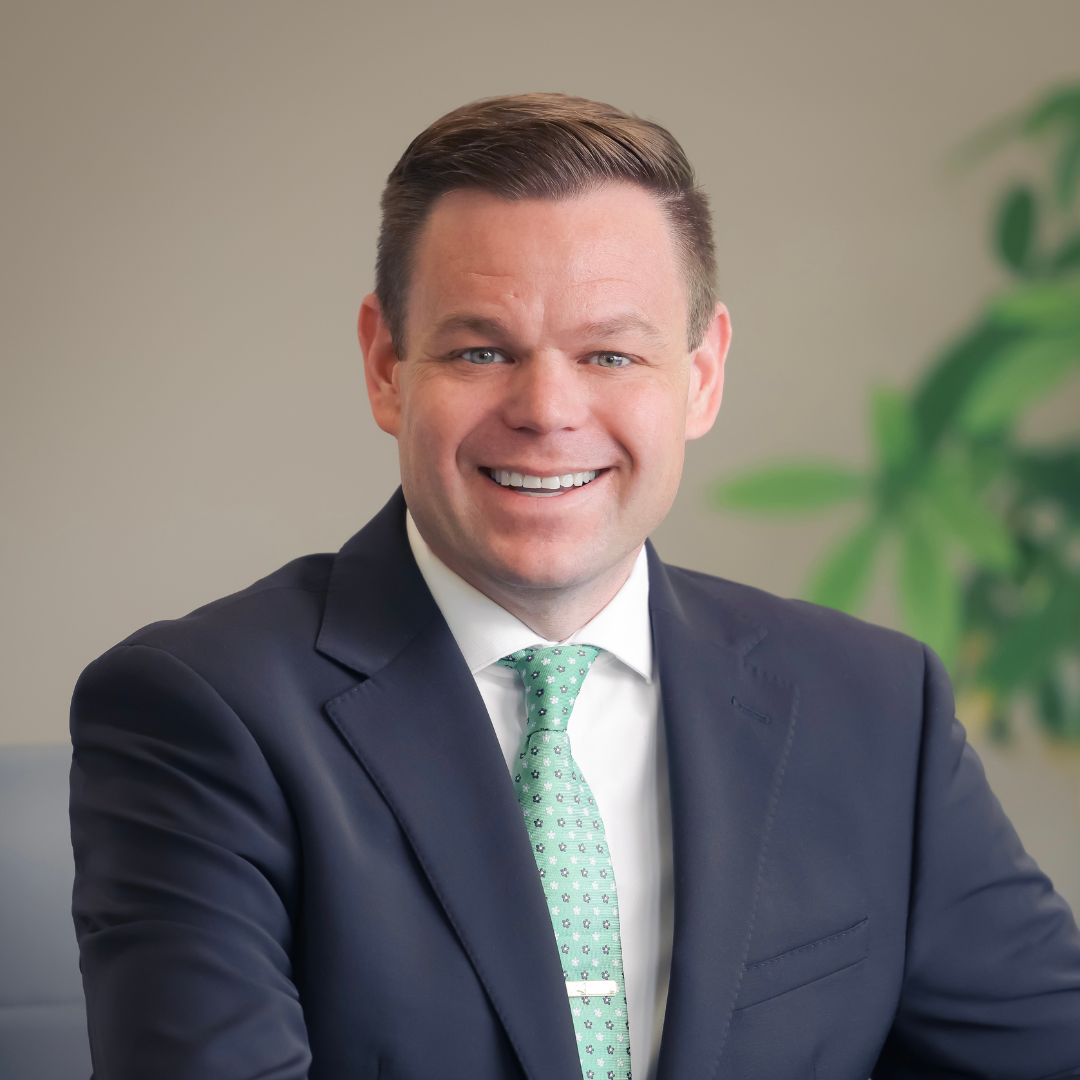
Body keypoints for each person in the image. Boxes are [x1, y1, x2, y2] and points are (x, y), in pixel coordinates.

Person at [69, 93, 1080, 1080]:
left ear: (702, 375)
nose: (548, 410)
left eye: (609, 353)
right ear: (386, 366)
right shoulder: (200, 713)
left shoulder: (876, 708)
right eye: (480, 350)